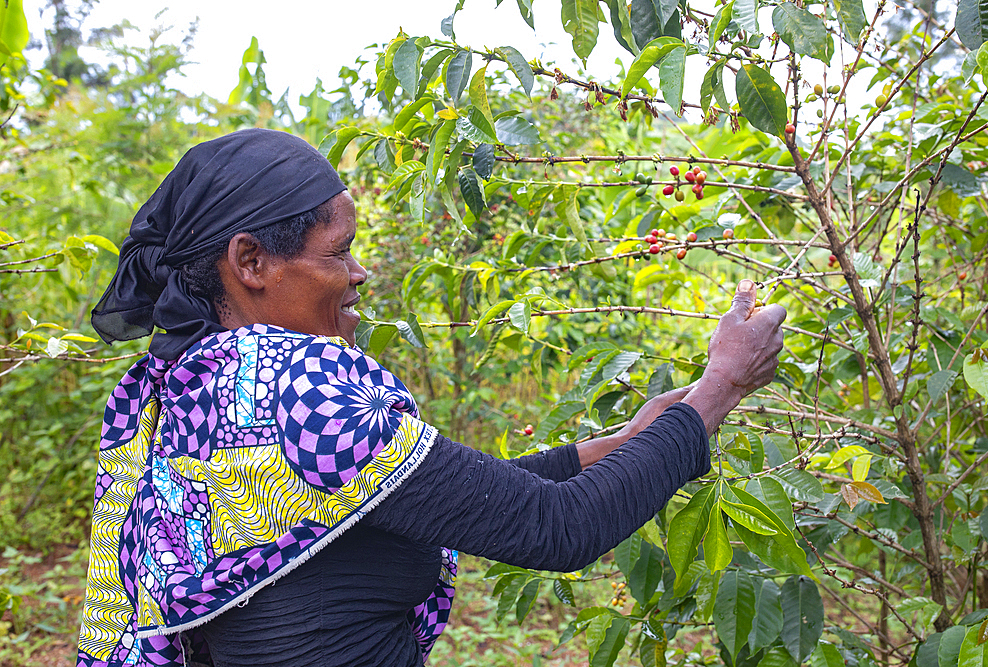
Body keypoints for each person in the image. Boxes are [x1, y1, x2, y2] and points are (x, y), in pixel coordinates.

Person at [78, 128, 785, 667]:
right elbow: (560, 527)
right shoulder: (298, 388)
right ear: (251, 263)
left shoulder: (196, 383)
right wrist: (720, 386)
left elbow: (428, 496)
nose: (358, 273)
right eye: (339, 250)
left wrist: (622, 442)